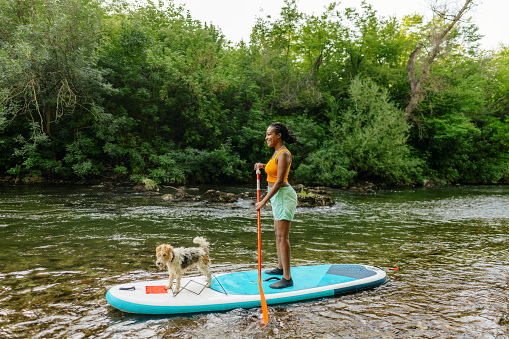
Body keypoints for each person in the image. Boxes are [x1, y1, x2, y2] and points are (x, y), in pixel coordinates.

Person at [254, 122, 298, 289]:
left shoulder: (284, 153)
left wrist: (263, 201)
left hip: (282, 196)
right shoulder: (277, 153)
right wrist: (263, 166)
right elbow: (274, 172)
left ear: (278, 135)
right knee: (277, 234)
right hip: (277, 196)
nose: (266, 137)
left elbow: (279, 181)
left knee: (283, 237)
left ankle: (287, 278)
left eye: (269, 134)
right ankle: (280, 268)